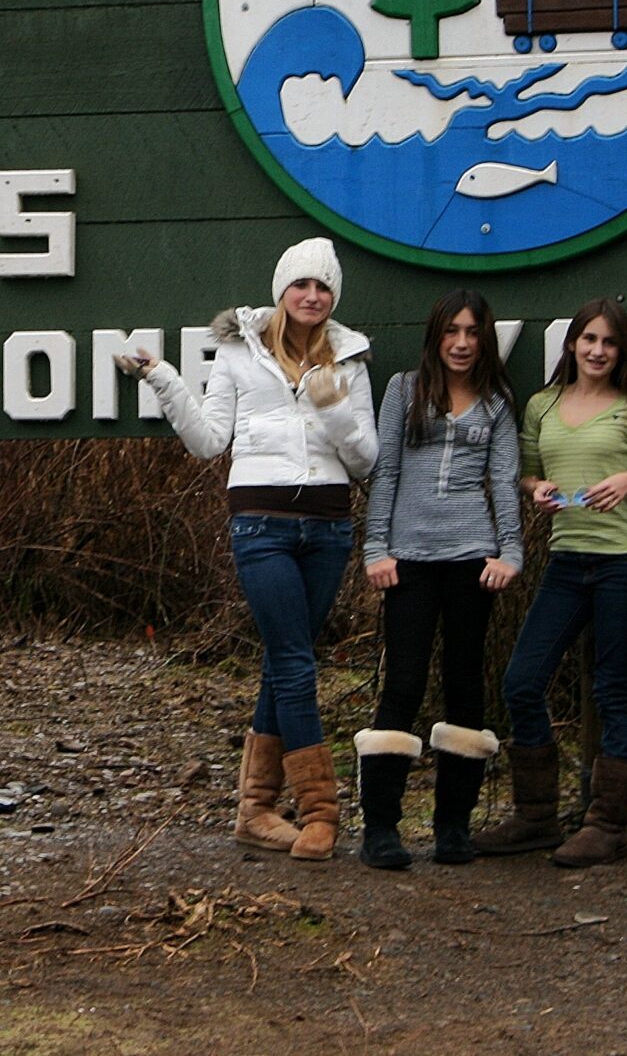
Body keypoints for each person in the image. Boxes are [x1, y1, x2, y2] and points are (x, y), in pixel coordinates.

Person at [127, 237, 377, 861]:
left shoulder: (350, 361)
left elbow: (366, 459)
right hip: (260, 526)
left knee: (284, 661)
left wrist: (335, 408)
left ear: (333, 298)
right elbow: (209, 441)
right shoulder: (237, 354)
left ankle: (256, 811)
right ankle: (320, 811)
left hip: (327, 528)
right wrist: (161, 378)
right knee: (295, 662)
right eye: (302, 285)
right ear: (282, 292)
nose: (312, 296)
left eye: (323, 288)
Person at [471, 297, 627, 869]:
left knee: (614, 689)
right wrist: (536, 491)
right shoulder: (542, 404)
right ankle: (536, 817)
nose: (598, 351)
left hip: (624, 560)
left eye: (609, 342)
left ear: (621, 350)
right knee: (522, 680)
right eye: (589, 340)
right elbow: (527, 471)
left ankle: (607, 824)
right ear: (571, 344)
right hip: (565, 560)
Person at [353, 289, 519, 871]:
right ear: (436, 335)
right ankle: (380, 828)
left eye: (473, 332)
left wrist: (511, 552)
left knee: (465, 683)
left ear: (484, 338)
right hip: (408, 560)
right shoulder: (403, 389)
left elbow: (503, 480)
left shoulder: (497, 400)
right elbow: (387, 472)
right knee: (402, 681)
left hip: (473, 557)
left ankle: (452, 827)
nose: (463, 343)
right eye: (453, 331)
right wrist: (376, 547)